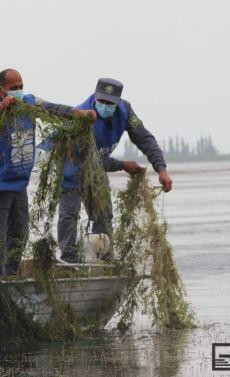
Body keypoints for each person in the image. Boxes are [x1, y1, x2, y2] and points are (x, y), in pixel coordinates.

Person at [0, 68, 94, 276]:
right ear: (0, 89)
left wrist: (78, 113)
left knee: (19, 235)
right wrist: (1, 107)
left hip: (18, 185)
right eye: (13, 88)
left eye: (20, 87)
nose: (18, 91)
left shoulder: (28, 103)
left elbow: (52, 109)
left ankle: (10, 278)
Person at [55, 78, 172, 263]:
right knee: (69, 215)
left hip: (98, 169)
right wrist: (122, 165)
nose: (105, 106)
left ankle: (103, 258)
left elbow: (145, 139)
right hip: (72, 167)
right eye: (101, 101)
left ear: (118, 102)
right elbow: (90, 160)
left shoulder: (125, 111)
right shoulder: (82, 116)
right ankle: (69, 260)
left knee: (103, 214)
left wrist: (161, 169)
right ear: (95, 97)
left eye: (110, 103)